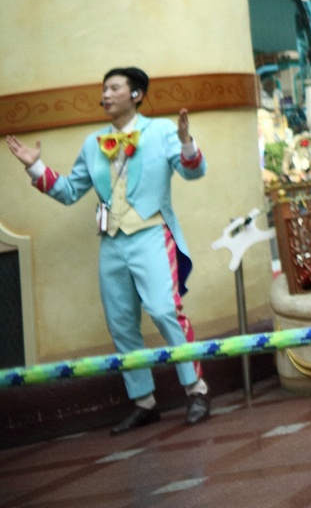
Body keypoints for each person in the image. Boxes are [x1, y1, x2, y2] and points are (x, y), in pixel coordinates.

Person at [5, 67, 213, 432]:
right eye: (104, 89)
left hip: (151, 233)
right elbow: (69, 192)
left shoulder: (161, 130)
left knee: (165, 310)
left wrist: (186, 143)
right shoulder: (93, 143)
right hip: (112, 242)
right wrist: (35, 166)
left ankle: (196, 390)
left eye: (114, 88)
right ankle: (144, 401)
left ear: (136, 95)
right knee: (120, 323)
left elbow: (193, 172)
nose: (105, 94)